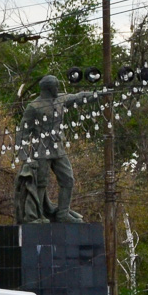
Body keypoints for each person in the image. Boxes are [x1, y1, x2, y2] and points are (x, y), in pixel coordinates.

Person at [14, 75, 99, 224]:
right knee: (41, 182)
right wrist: (26, 157)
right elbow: (22, 133)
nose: (58, 89)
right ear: (48, 88)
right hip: (41, 150)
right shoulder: (34, 107)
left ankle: (63, 214)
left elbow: (78, 97)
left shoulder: (60, 100)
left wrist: (98, 94)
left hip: (58, 149)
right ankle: (37, 215)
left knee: (68, 179)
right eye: (56, 87)